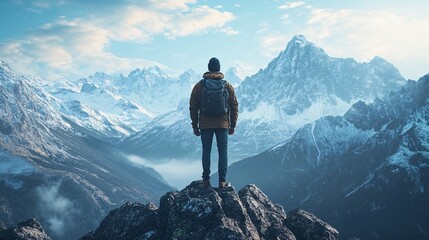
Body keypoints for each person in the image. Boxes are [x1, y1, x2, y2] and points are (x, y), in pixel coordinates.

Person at [189, 57, 238, 188]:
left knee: (206, 151)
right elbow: (234, 106)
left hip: (205, 124)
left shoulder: (199, 86)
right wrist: (232, 125)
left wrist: (195, 126)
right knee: (223, 151)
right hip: (222, 124)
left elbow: (193, 106)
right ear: (219, 68)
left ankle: (206, 181)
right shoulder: (227, 85)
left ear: (208, 68)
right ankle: (222, 182)